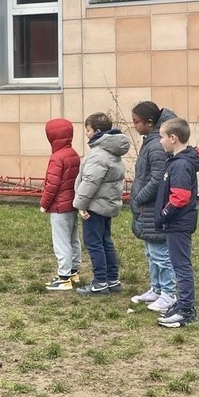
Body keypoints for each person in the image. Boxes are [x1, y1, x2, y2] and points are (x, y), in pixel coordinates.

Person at [129, 101, 178, 312]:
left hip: (152, 206)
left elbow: (157, 179)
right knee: (151, 252)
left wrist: (140, 197)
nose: (134, 126)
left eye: (136, 122)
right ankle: (156, 289)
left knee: (160, 253)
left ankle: (169, 293)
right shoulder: (151, 140)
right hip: (147, 207)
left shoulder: (157, 144)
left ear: (149, 122)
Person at [73, 112, 129, 296]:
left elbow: (90, 182)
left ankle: (100, 282)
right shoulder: (112, 151)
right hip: (106, 205)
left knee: (94, 243)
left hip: (94, 206)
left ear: (96, 131)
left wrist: (81, 205)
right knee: (106, 241)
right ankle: (112, 279)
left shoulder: (98, 154)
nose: (86, 134)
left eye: (87, 130)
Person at [155, 117, 199, 328]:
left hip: (179, 223)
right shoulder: (176, 161)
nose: (160, 141)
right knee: (177, 264)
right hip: (176, 223)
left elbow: (180, 196)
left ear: (173, 138)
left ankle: (186, 309)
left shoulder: (181, 164)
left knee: (181, 266)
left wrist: (164, 215)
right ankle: (182, 304)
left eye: (162, 137)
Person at [40, 118, 82, 290]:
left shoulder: (57, 158)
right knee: (73, 239)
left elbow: (52, 184)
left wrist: (44, 203)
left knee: (61, 241)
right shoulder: (73, 154)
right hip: (72, 204)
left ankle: (63, 277)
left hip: (59, 207)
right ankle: (73, 272)